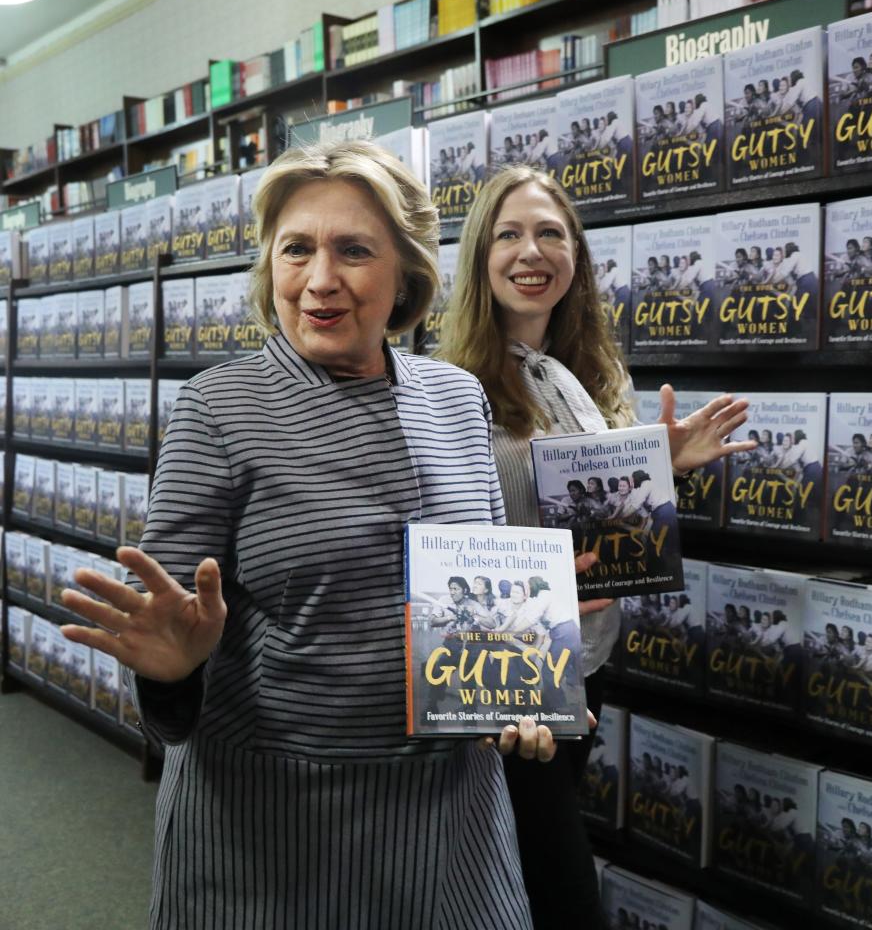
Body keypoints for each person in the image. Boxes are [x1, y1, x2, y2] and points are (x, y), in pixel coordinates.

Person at [59, 141, 565, 930]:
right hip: (273, 833)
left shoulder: (457, 398)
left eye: (354, 251)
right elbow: (170, 635)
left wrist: (525, 690)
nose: (320, 280)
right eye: (296, 249)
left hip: (454, 821)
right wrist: (170, 672)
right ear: (269, 267)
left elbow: (487, 603)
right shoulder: (218, 409)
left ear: (406, 274)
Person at [437, 164, 754, 929]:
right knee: (558, 894)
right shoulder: (447, 385)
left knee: (519, 886)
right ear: (481, 255)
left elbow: (603, 518)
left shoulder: (591, 376)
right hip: (509, 672)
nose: (530, 251)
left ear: (575, 255)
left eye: (551, 233)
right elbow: (445, 549)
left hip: (588, 664)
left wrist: (661, 470)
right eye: (509, 234)